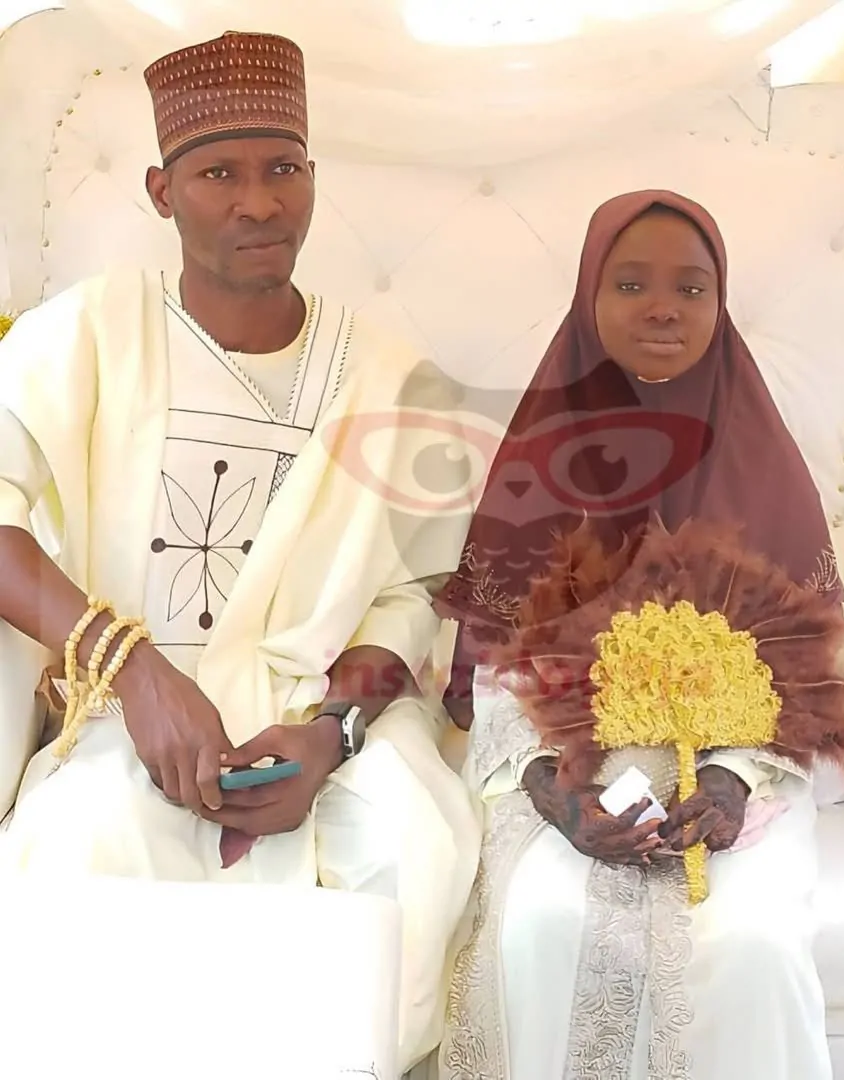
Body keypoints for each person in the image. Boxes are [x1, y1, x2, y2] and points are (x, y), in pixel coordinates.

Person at [0, 31, 480, 1075]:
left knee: (406, 849)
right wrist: (133, 671)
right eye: (220, 174)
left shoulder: (392, 379)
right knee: (79, 848)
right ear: (161, 192)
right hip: (124, 711)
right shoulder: (85, 333)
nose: (260, 203)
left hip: (318, 720)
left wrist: (333, 734)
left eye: (283, 169)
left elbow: (411, 595)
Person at [435, 191, 844, 1080]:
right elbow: (498, 666)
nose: (663, 307)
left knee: (756, 943)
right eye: (631, 284)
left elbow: (805, 673)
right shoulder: (539, 461)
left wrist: (733, 782)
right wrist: (553, 792)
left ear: (719, 304)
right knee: (541, 921)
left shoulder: (766, 467)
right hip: (564, 764)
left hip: (740, 773)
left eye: (691, 288)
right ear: (590, 297)